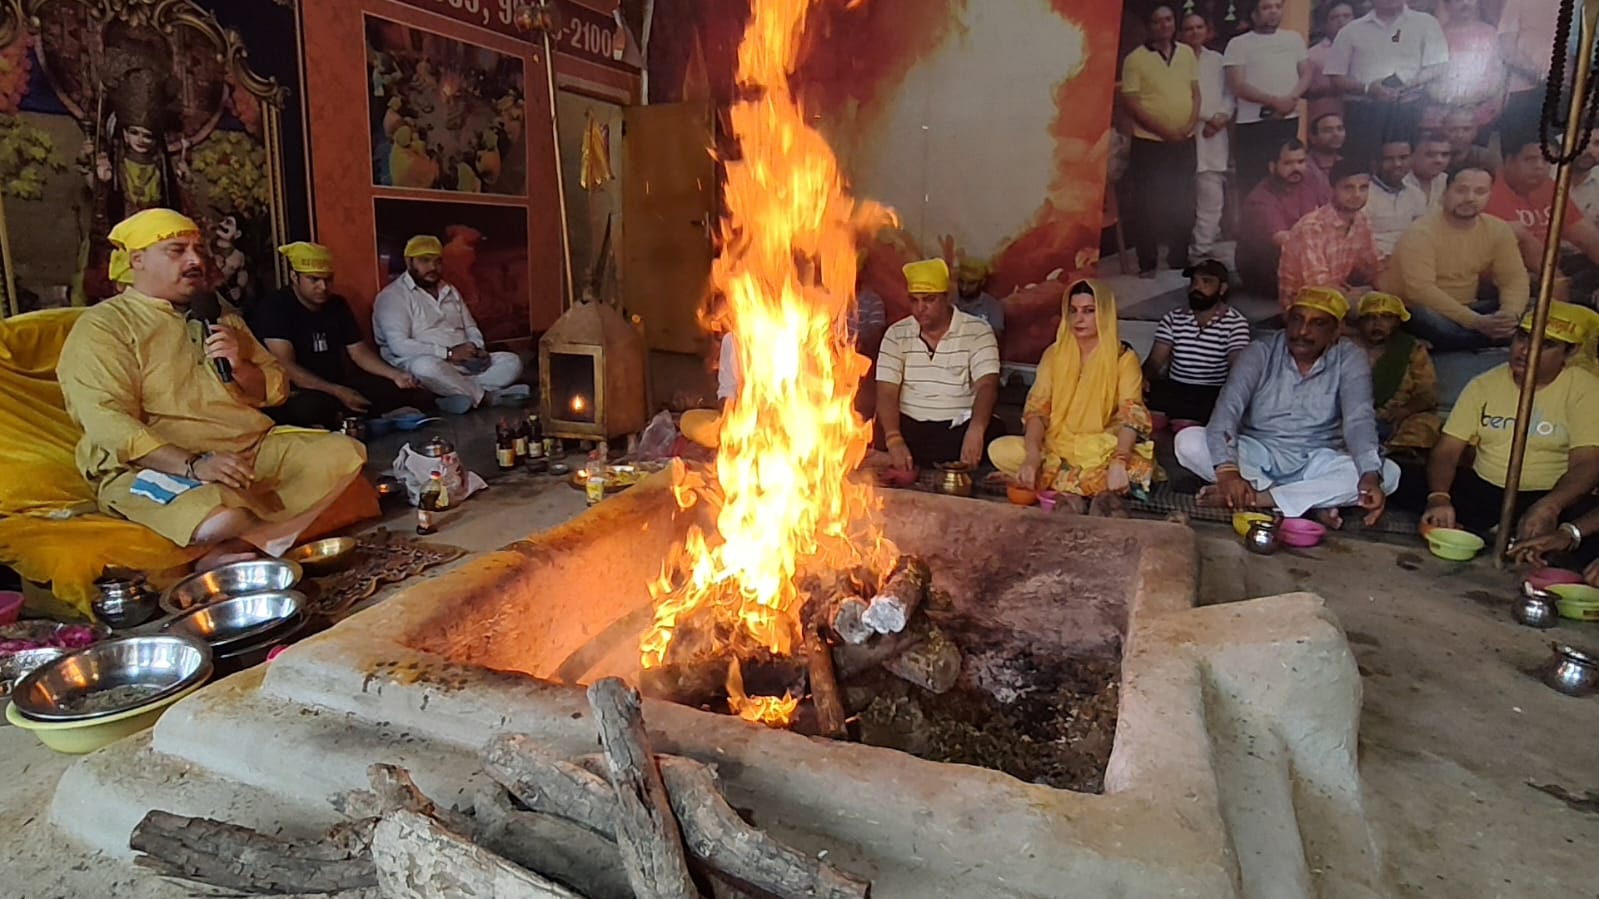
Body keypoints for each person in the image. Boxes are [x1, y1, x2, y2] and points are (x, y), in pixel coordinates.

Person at [55, 209, 366, 569]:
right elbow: (106, 421)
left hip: (248, 449)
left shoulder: (217, 313)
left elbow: (275, 389)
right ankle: (251, 539)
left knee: (345, 454)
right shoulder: (105, 326)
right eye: (177, 251)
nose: (194, 261)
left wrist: (239, 365)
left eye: (197, 250)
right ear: (137, 260)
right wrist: (193, 465)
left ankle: (242, 549)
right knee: (222, 516)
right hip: (160, 465)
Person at [1176, 287, 1401, 527]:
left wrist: (1368, 474)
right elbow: (1227, 410)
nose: (1302, 331)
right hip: (1257, 452)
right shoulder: (1260, 351)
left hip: (1317, 459)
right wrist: (1228, 471)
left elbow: (1359, 420)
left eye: (1317, 323)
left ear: (1336, 331)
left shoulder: (1350, 358)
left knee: (1387, 474)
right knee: (1188, 441)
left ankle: (1260, 499)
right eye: (1297, 320)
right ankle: (1307, 505)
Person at [1422, 303, 1599, 538]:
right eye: (1523, 337)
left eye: (1546, 345)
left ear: (1569, 352)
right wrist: (1439, 498)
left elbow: (1587, 463)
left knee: (1585, 524)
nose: (1526, 350)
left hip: (1550, 496)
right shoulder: (1483, 384)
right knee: (1399, 476)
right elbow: (1447, 451)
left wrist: (1549, 507)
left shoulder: (1585, 389)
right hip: (1485, 491)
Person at [988, 280, 1155, 516]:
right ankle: (1078, 484)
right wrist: (1033, 457)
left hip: (1101, 447)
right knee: (1000, 450)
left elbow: (1132, 416)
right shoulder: (1054, 354)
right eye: (1073, 311)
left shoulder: (1123, 359)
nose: (1079, 319)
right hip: (1056, 445)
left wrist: (1119, 460)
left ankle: (1051, 481)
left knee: (1137, 470)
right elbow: (1037, 410)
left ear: (1105, 314)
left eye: (1088, 311)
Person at [250, 243, 429, 430]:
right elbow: (286, 366)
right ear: (295, 277)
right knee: (311, 407)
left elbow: (359, 352)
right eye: (314, 280)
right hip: (300, 390)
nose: (323, 287)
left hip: (337, 383)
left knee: (396, 389)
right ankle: (347, 415)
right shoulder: (275, 306)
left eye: (328, 280)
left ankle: (345, 415)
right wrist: (337, 392)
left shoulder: (337, 304)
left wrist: (396, 375)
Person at [1379, 167, 1528, 350]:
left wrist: (1508, 315)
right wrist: (1475, 322)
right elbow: (1420, 291)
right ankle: (1492, 339)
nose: (1470, 198)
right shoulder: (1420, 232)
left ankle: (1485, 337)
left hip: (1470, 309)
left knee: (1532, 307)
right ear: (1445, 192)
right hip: (1425, 311)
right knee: (1422, 317)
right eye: (1461, 190)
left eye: (1480, 192)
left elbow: (1514, 278)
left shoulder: (1498, 229)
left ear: (1489, 195)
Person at [373, 234, 524, 410]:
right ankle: (485, 397)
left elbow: (470, 326)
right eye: (425, 261)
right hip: (424, 362)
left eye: (437, 262)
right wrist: (449, 354)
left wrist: (476, 348)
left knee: (512, 362)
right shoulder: (392, 297)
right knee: (426, 367)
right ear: (409, 262)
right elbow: (399, 346)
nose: (432, 267)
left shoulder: (449, 290)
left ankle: (449, 395)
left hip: (464, 363)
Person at [877, 259, 1000, 471]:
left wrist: (976, 429)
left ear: (946, 297)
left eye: (928, 300)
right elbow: (887, 391)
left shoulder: (978, 331)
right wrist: (894, 439)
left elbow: (987, 385)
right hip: (910, 427)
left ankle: (901, 460)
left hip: (956, 428)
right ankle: (906, 456)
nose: (920, 308)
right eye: (914, 300)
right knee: (874, 430)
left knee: (994, 433)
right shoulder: (896, 334)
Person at [1118, 4, 1199, 276]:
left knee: (1184, 201)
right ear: (1149, 27)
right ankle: (1148, 263)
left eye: (1168, 20)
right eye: (1157, 22)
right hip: (1150, 143)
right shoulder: (1135, 59)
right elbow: (1131, 102)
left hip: (1185, 141)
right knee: (1148, 204)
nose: (1163, 26)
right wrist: (1164, 131)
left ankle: (1179, 258)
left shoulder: (1187, 53)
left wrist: (1188, 125)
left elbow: (1195, 93)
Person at [1324, 0, 1449, 162]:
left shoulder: (1426, 23)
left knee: (1406, 166)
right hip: (1365, 113)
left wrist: (1409, 83)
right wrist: (1368, 89)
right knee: (1364, 164)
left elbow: (1439, 66)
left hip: (1410, 110)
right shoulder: (1351, 30)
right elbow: (1335, 75)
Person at [1144, 259, 1252, 423]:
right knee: (1139, 403)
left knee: (1226, 405)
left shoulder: (1235, 323)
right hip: (1176, 388)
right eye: (1194, 281)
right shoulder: (1173, 318)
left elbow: (1237, 368)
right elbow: (1155, 361)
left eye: (1206, 282)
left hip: (1211, 392)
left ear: (1222, 289)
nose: (1197, 287)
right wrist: (1141, 380)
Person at [1488, 135, 1599, 293]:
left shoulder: (1549, 187)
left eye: (1547, 160)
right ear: (1509, 160)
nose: (1539, 167)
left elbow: (1587, 237)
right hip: (1505, 279)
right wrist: (1559, 283)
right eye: (1530, 159)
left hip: (1550, 266)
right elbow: (1530, 250)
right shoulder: (1489, 190)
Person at [1223, 0, 1310, 197]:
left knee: (1287, 176)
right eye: (1266, 7)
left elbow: (1306, 73)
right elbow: (1237, 84)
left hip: (1287, 118)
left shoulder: (1293, 39)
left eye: (1278, 7)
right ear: (1253, 13)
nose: (1273, 12)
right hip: (1253, 123)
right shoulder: (1238, 44)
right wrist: (1273, 101)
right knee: (1253, 181)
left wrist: (1292, 98)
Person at [1277, 159, 1383, 308]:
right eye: (1348, 188)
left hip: (1336, 299)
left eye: (1364, 188)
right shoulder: (1312, 227)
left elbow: (1375, 268)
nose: (1357, 195)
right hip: (1304, 309)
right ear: (1332, 189)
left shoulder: (1361, 221)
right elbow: (1319, 286)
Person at [1349, 292, 1441, 455]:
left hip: (1396, 419)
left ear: (1397, 322)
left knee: (1426, 425)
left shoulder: (1411, 349)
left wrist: (1404, 411)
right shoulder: (1344, 349)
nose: (1377, 324)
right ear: (1360, 322)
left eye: (1386, 317)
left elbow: (1427, 395)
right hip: (1351, 420)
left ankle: (1397, 456)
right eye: (1370, 317)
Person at [1238, 139, 1332, 294]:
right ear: (1272, 166)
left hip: (1307, 259)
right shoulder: (1260, 198)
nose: (1296, 168)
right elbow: (1285, 241)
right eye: (1288, 163)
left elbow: (1333, 215)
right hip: (1266, 272)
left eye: (1301, 162)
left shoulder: (1311, 181)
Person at [1185, 12, 1233, 260]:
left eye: (1199, 26)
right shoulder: (1177, 59)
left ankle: (1202, 248)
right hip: (1186, 131)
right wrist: (1206, 117)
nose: (1194, 32)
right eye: (1189, 28)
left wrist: (1221, 117)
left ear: (1207, 29)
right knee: (1185, 194)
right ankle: (1188, 247)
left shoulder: (1217, 59)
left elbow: (1229, 92)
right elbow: (1181, 98)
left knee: (1212, 193)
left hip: (1215, 134)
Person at [1428, 0, 1505, 133]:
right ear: (1447, 5)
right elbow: (1428, 79)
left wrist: (1496, 104)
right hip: (1444, 120)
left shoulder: (1491, 34)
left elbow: (1501, 75)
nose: (1465, 4)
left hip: (1485, 117)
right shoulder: (1435, 37)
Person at [1496, 0, 1560, 138]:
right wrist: (1540, 75)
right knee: (1517, 149)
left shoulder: (1578, 4)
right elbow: (1506, 48)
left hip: (1563, 92)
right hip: (1523, 93)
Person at [1365, 138, 1430, 259]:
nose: (1397, 164)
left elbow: (1420, 236)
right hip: (1374, 264)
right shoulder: (1364, 194)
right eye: (1389, 159)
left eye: (1403, 158)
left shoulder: (1416, 194)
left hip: (1410, 261)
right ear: (1375, 162)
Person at [1306, 1, 1356, 124]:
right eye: (1334, 17)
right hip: (1327, 116)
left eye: (1346, 16)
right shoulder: (1312, 55)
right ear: (1324, 24)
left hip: (1362, 113)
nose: (1341, 21)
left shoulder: (1367, 49)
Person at [953, 260, 1005, 348]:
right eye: (961, 282)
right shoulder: (949, 302)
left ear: (982, 282)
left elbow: (994, 339)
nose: (964, 288)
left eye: (971, 283)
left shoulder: (993, 306)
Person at [1440, 107, 1498, 174]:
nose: (1460, 135)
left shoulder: (1484, 157)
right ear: (1443, 130)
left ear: (1475, 131)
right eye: (1453, 129)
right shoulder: (1435, 156)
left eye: (1466, 129)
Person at [1407, 131, 1453, 208]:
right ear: (1411, 156)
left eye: (1444, 155)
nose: (1439, 160)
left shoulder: (1446, 181)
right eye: (1431, 154)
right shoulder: (1400, 183)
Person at [1306, 113, 1346, 186]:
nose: (1336, 134)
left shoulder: (1347, 165)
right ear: (1313, 138)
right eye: (1328, 130)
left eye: (1340, 129)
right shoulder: (1304, 167)